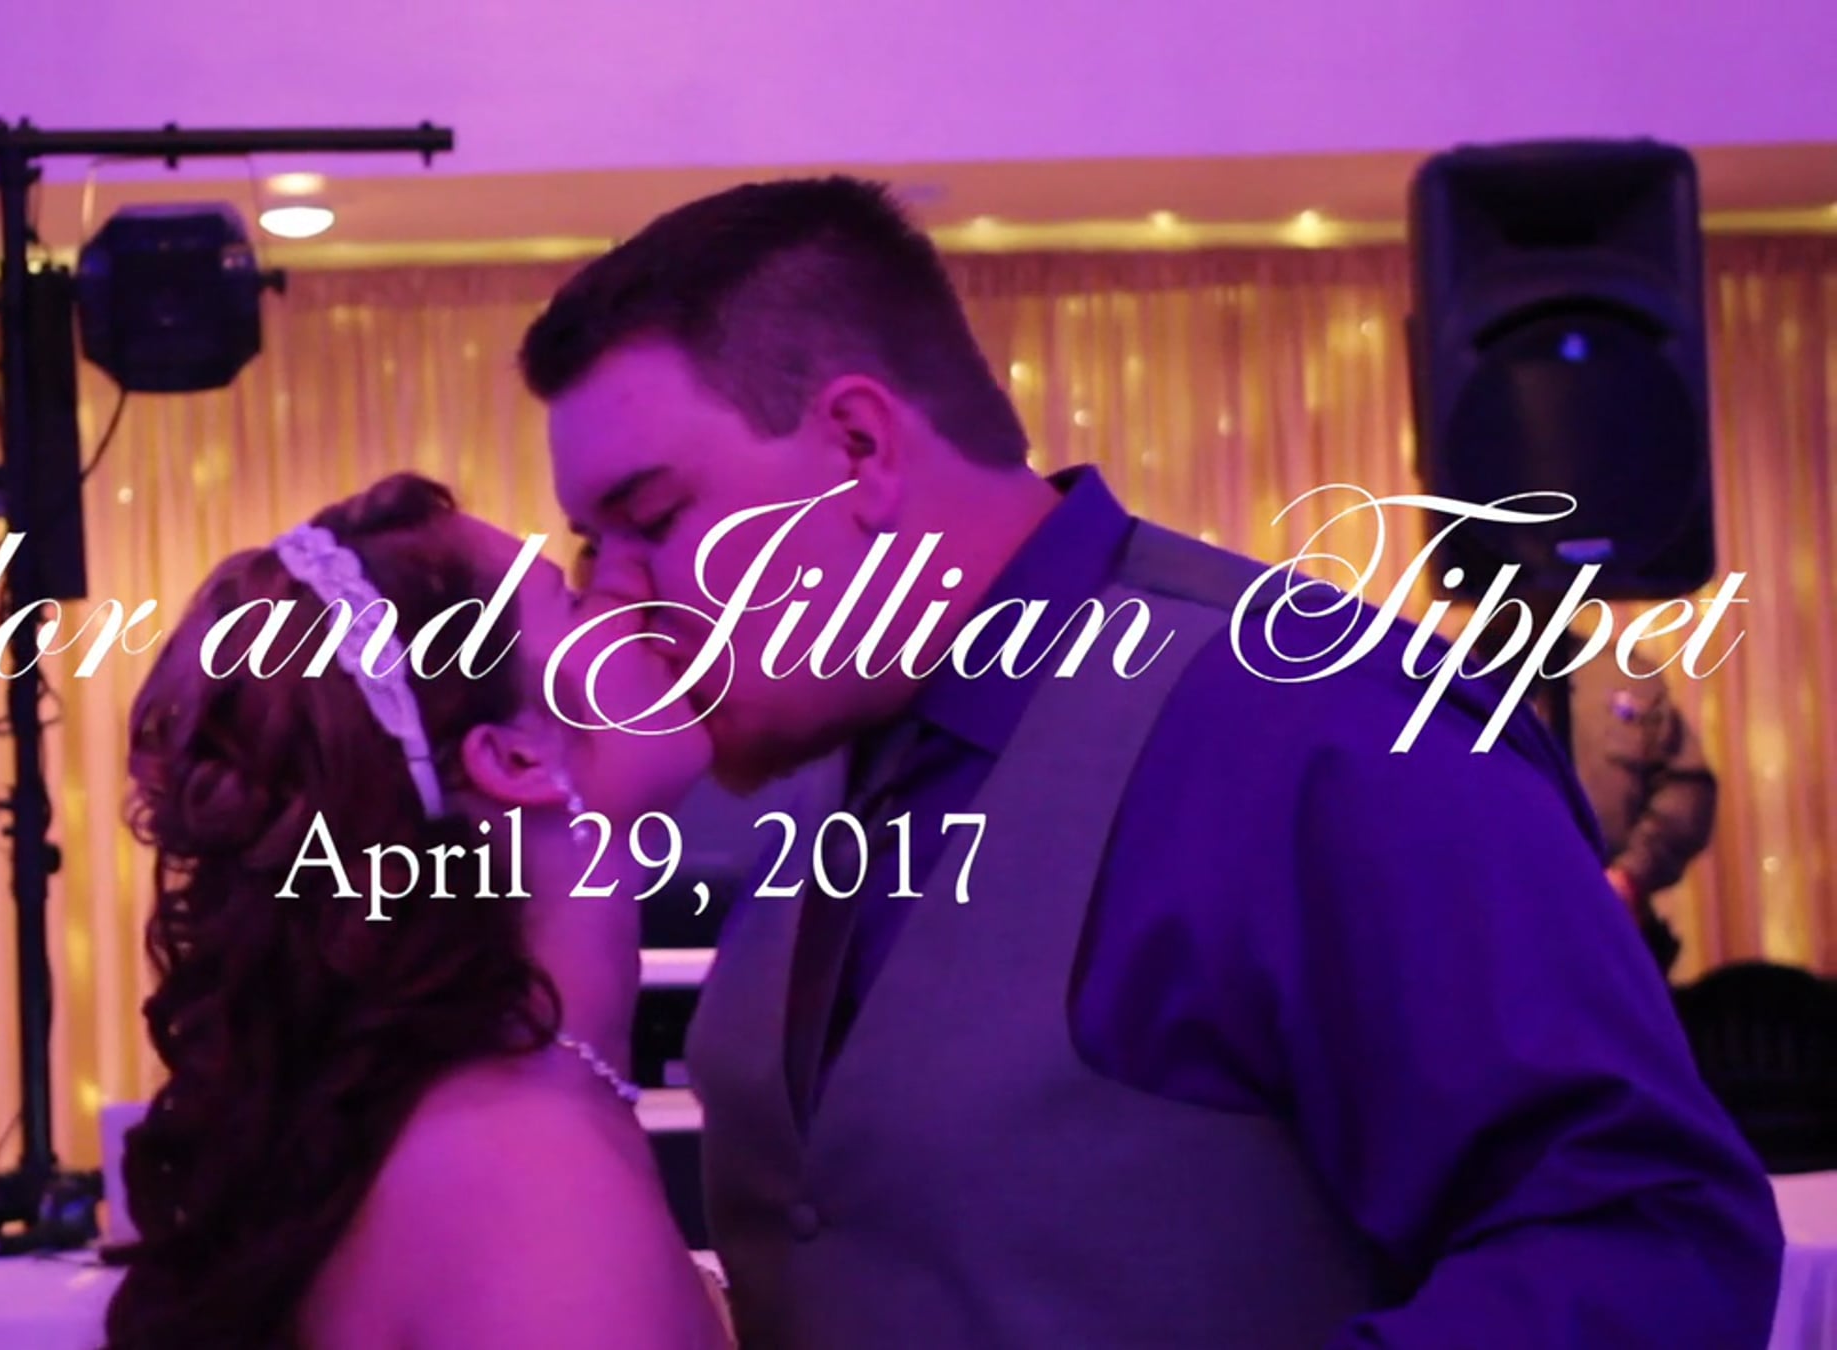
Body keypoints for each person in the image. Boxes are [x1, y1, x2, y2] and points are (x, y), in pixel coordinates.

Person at [520, 177, 1782, 1348]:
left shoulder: (1315, 724)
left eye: (651, 521)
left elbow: (1646, 1242)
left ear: (859, 446)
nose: (613, 598)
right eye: (590, 548)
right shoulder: (809, 750)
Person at [100, 474, 730, 1350]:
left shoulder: (482, 1120)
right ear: (514, 759)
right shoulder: (527, 1183)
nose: (625, 593)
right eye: (573, 600)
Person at [1472, 624, 1719, 974]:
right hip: (1490, 937)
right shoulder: (1444, 678)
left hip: (1614, 938)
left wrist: (1631, 875)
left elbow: (1687, 788)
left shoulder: (1625, 675)